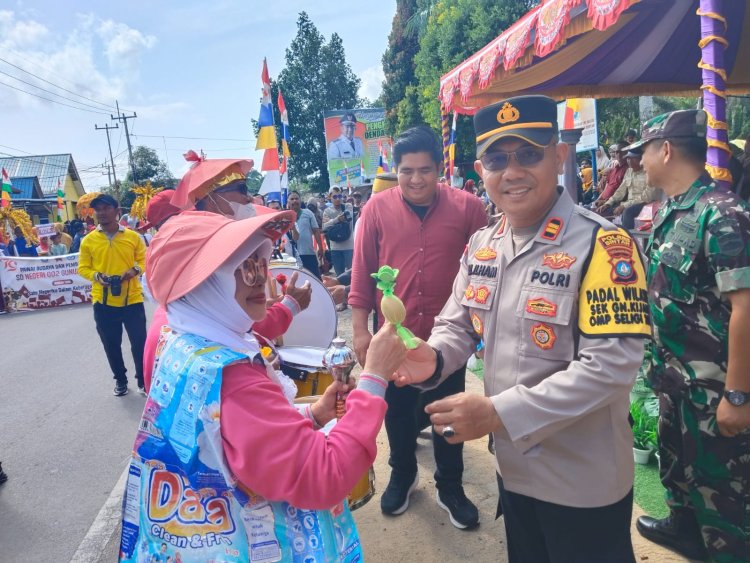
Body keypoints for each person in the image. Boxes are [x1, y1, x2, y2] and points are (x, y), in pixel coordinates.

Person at [394, 95, 651, 562]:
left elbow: (611, 367)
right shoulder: (484, 244)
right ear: (480, 169)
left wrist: (498, 414)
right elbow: (457, 322)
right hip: (513, 473)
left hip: (582, 482)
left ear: (559, 156)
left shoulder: (603, 245)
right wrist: (430, 357)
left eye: (529, 154)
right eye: (497, 159)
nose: (511, 172)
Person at [118, 210, 407, 562]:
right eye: (245, 267)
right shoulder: (233, 376)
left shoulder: (178, 337)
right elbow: (322, 475)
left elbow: (227, 438)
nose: (261, 280)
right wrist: (375, 378)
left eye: (262, 262)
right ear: (203, 282)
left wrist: (312, 415)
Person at [349, 125, 488, 529]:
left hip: (451, 338)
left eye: (425, 170)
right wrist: (360, 330)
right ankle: (404, 474)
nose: (416, 179)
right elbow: (362, 273)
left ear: (439, 168)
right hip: (393, 338)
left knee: (448, 409)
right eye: (407, 170)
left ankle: (450, 485)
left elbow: (482, 274)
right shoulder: (375, 209)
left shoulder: (467, 208)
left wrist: (483, 331)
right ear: (396, 169)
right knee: (396, 410)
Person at [628, 109, 750, 562]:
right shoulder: (673, 211)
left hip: (713, 387)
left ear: (665, 149)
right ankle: (683, 529)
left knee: (723, 493)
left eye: (643, 151)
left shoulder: (721, 214)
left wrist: (737, 394)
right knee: (677, 469)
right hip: (674, 380)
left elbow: (746, 308)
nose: (639, 162)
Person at [142, 162, 311, 393]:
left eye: (260, 263)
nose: (250, 199)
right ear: (211, 199)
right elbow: (243, 320)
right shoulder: (225, 370)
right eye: (241, 189)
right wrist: (288, 306)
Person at [77, 194, 147, 396]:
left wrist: (134, 271)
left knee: (139, 343)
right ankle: (120, 380)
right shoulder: (88, 240)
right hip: (103, 301)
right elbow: (83, 268)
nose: (101, 212)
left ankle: (142, 380)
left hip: (132, 299)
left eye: (106, 208)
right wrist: (97, 276)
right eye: (98, 209)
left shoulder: (133, 237)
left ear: (117, 211)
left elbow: (144, 261)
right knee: (111, 344)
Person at [601, 150, 658, 230]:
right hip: (630, 203)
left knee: (628, 212)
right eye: (628, 158)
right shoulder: (629, 171)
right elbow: (621, 190)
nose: (629, 161)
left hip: (646, 203)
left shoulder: (650, 172)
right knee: (604, 211)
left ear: (641, 159)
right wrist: (608, 203)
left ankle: (629, 238)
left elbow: (647, 197)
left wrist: (624, 206)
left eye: (632, 158)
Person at [287, 190, 324, 278]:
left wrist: (320, 247)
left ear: (300, 200)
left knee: (315, 279)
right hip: (291, 256)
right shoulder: (285, 216)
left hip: (308, 253)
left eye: (296, 198)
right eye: (292, 199)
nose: (294, 201)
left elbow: (316, 231)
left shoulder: (308, 213)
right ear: (288, 202)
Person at [322, 186, 354, 276]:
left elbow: (348, 217)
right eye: (335, 197)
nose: (338, 199)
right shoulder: (327, 211)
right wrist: (337, 220)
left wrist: (332, 221)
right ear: (329, 197)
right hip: (335, 248)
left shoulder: (348, 206)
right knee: (339, 276)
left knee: (352, 275)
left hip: (349, 246)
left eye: (340, 196)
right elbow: (324, 227)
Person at [593, 142, 628, 212]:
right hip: (603, 201)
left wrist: (606, 202)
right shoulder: (613, 169)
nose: (619, 154)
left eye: (622, 152)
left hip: (613, 204)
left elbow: (623, 193)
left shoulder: (628, 170)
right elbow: (607, 187)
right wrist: (598, 200)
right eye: (617, 152)